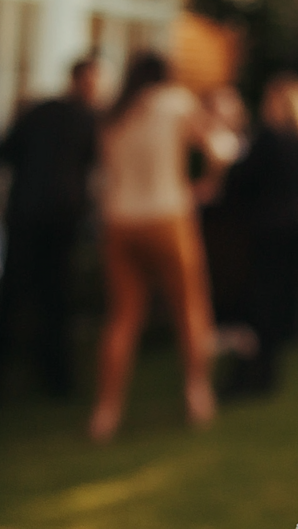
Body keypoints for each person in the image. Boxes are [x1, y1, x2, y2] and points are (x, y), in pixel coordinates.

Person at [88, 53, 237, 442]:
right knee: (189, 307)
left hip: (119, 220)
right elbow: (220, 149)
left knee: (122, 318)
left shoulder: (114, 113)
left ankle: (106, 413)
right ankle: (197, 395)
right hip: (168, 214)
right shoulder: (175, 103)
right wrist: (207, 184)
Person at [0, 56, 100, 400]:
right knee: (53, 298)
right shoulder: (85, 119)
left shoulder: (37, 112)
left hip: (27, 216)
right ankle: (54, 378)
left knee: (13, 298)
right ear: (82, 80)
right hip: (56, 220)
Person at [222, 73, 298, 395]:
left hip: (271, 230)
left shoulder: (269, 138)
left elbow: (241, 181)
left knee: (261, 302)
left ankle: (254, 372)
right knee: (283, 299)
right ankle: (267, 369)